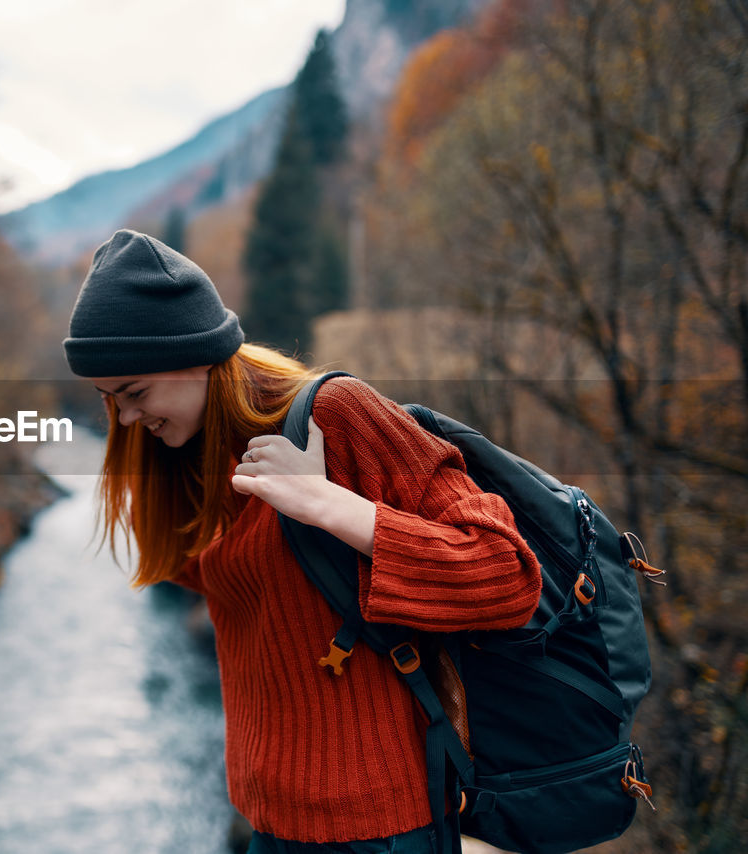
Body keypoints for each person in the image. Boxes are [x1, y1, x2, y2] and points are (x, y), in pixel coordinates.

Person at [62, 229, 543, 854]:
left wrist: (330, 506)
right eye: (108, 400)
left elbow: (507, 575)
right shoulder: (196, 455)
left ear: (197, 355)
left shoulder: (337, 416)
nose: (126, 419)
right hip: (269, 820)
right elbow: (236, 584)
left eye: (135, 394)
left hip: (377, 828)